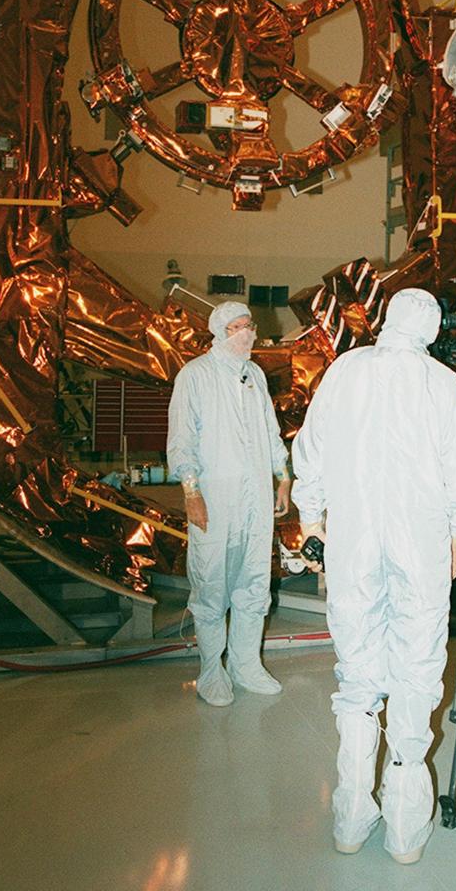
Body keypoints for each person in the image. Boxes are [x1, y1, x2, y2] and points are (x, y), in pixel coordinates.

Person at [292, 288, 456, 865]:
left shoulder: (346, 371)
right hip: (420, 547)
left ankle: (351, 819)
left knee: (356, 674)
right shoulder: (442, 383)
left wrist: (311, 520)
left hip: (352, 545)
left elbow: (311, 447)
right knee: (416, 670)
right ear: (432, 328)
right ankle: (404, 828)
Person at [167, 301, 290, 706]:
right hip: (215, 497)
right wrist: (191, 492)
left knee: (254, 581)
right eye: (238, 327)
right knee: (211, 582)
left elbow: (271, 431)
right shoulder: (195, 375)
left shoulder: (254, 375)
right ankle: (211, 670)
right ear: (220, 333)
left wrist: (283, 477)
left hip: (256, 496)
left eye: (250, 325)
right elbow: (182, 438)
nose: (248, 333)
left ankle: (245, 664)